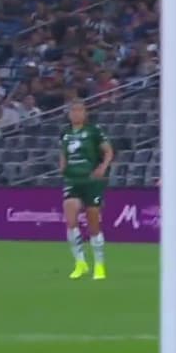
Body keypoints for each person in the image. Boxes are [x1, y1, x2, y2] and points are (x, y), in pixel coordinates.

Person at [59, 101, 113, 280]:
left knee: (93, 223)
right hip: (72, 180)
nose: (76, 114)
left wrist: (103, 168)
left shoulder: (93, 131)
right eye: (73, 111)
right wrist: (62, 167)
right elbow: (63, 153)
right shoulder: (65, 133)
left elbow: (108, 151)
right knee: (71, 220)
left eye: (79, 110)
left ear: (85, 113)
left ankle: (99, 264)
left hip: (91, 181)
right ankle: (80, 263)